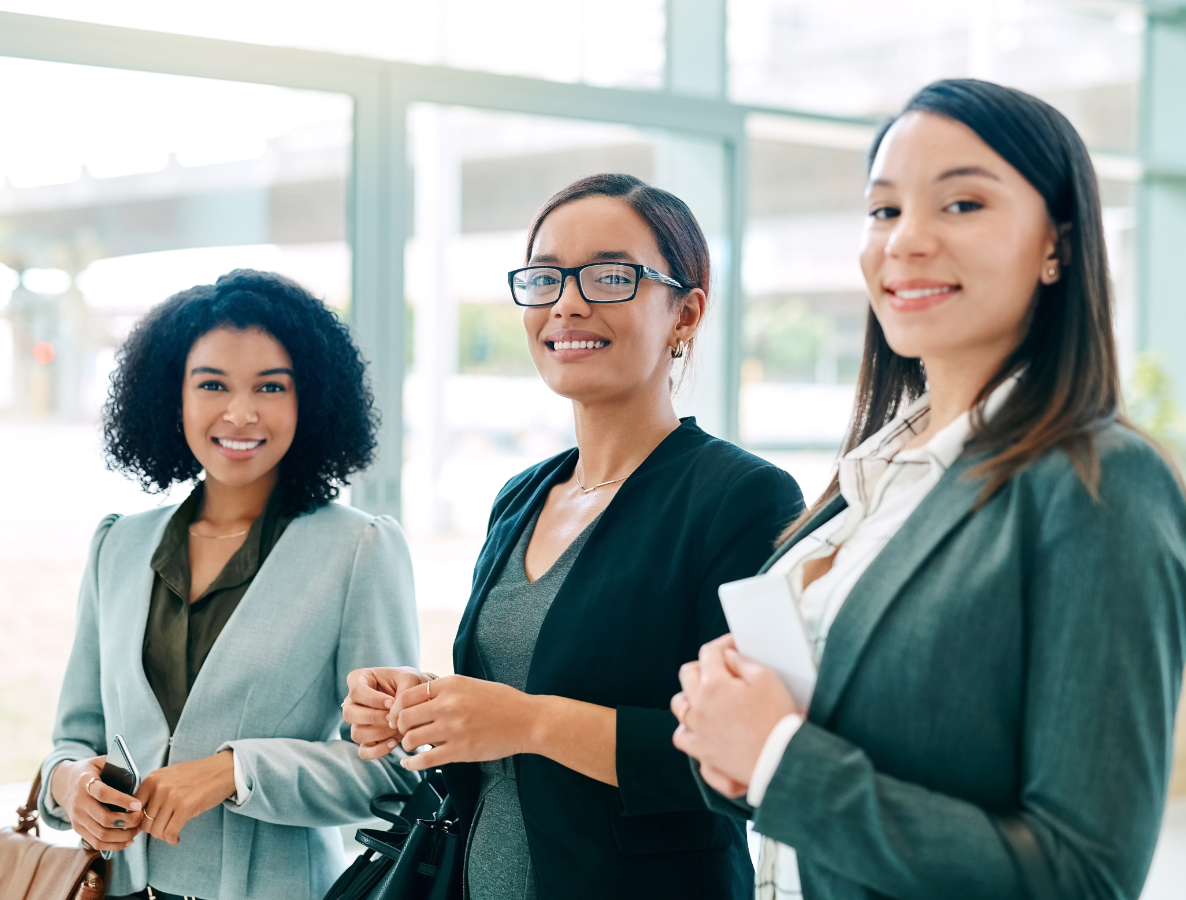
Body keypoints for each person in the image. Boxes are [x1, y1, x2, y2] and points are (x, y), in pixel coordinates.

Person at [670, 78, 1186, 900]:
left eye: (961, 205)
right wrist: (728, 747)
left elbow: (1084, 876)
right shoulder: (875, 474)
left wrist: (776, 757)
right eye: (883, 210)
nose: (904, 241)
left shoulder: (1101, 483)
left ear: (1057, 243)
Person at [342, 173, 805, 899]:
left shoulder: (743, 497)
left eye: (610, 276)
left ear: (686, 313)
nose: (568, 302)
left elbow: (749, 766)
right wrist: (426, 707)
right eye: (546, 277)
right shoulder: (520, 498)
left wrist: (528, 721)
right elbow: (515, 711)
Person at [39, 270, 420, 900]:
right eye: (211, 384)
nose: (240, 413)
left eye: (271, 387)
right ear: (173, 397)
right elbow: (72, 739)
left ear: (311, 400)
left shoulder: (360, 550)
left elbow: (393, 772)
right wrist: (71, 783)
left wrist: (236, 770)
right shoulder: (118, 545)